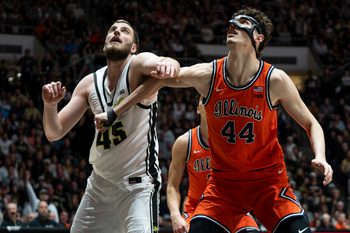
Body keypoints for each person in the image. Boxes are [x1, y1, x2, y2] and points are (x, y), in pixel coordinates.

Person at [96, 7, 333, 233]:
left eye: (242, 23)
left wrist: (321, 157)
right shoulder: (209, 75)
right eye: (231, 22)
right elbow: (159, 80)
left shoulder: (274, 80)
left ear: (258, 37)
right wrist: (115, 111)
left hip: (267, 182)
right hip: (224, 186)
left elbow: (311, 123)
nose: (232, 25)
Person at [42, 19, 180, 233]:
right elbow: (54, 132)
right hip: (99, 185)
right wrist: (50, 106)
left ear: (133, 48)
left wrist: (169, 63)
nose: (117, 32)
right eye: (112, 30)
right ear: (105, 42)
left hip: (136, 187)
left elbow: (167, 64)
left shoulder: (137, 65)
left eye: (125, 31)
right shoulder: (88, 83)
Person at [166, 96, 259, 233]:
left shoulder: (235, 141)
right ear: (198, 109)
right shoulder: (185, 142)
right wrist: (175, 215)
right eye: (204, 99)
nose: (209, 101)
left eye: (213, 98)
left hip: (232, 209)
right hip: (196, 210)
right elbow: (172, 185)